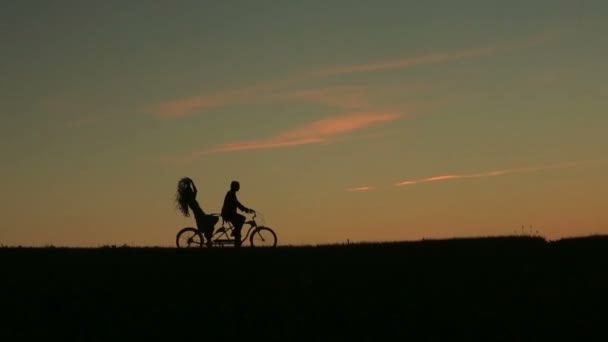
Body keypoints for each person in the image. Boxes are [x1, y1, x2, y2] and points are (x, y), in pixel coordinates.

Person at [175, 177, 218, 247]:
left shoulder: (191, 199)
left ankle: (209, 240)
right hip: (200, 216)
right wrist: (191, 183)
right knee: (214, 220)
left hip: (201, 215)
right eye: (191, 192)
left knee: (211, 224)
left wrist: (191, 183)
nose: (192, 192)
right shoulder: (191, 200)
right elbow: (195, 191)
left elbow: (195, 191)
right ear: (189, 194)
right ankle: (209, 240)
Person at [221, 180, 253, 248]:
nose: (239, 187)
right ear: (234, 187)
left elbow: (237, 203)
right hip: (228, 214)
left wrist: (245, 209)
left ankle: (237, 238)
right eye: (238, 186)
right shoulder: (231, 194)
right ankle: (236, 233)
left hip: (229, 213)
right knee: (242, 218)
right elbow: (236, 203)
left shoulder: (232, 193)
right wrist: (245, 209)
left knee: (238, 224)